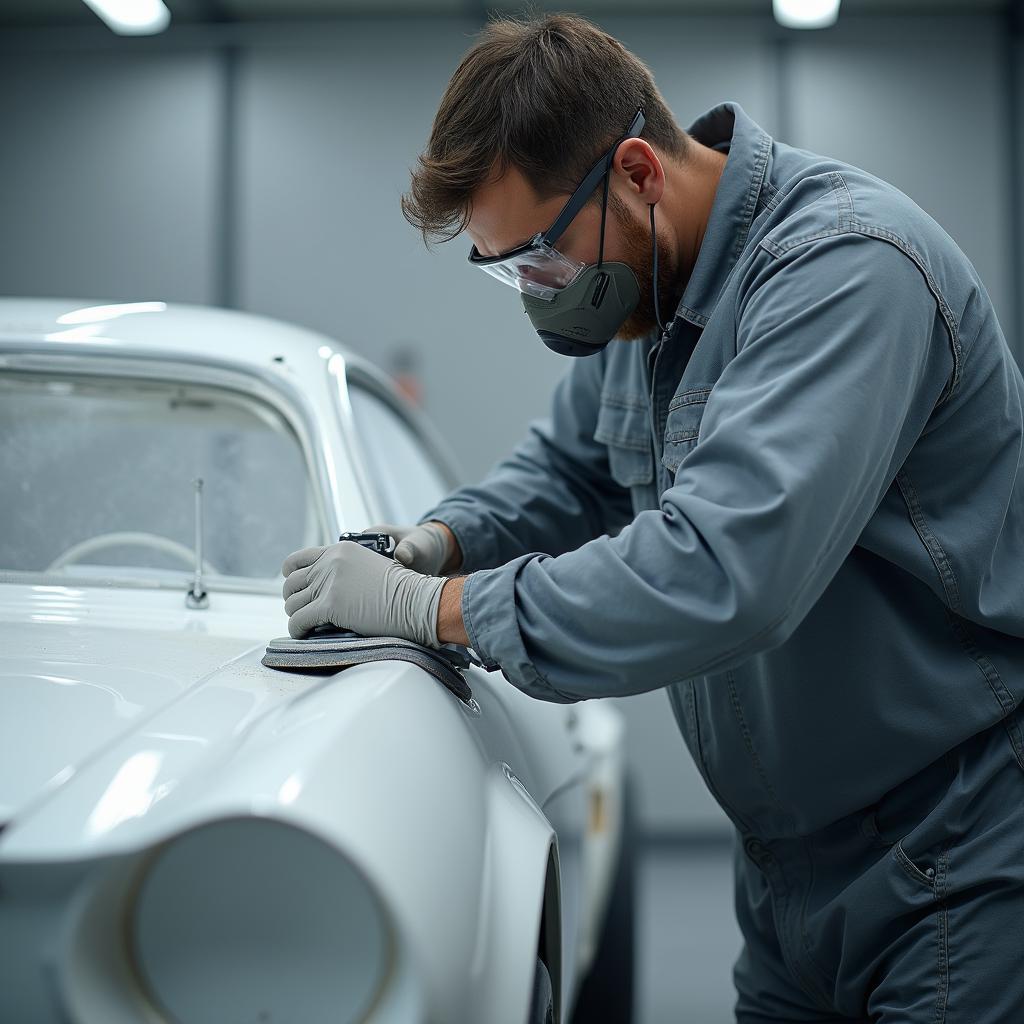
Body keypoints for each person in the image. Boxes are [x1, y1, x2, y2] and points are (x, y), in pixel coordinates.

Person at [280, 13, 1024, 1022]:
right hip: (782, 873)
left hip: (950, 852)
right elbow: (564, 471)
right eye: (505, 271)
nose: (536, 295)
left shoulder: (845, 270)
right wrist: (436, 537)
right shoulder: (653, 298)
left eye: (538, 258)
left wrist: (433, 605)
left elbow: (725, 571)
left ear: (634, 170)